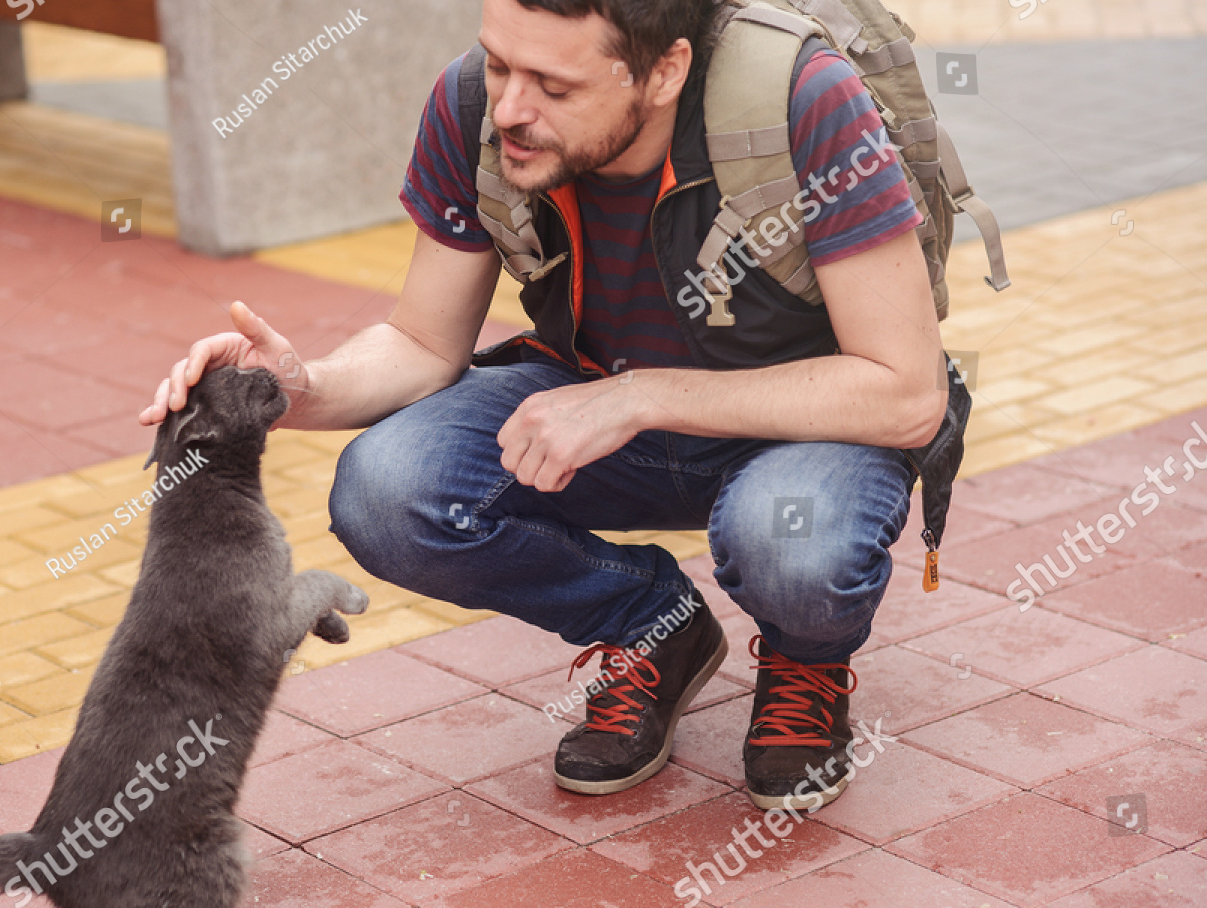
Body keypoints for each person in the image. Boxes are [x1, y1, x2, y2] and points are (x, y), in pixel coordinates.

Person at [141, 0, 952, 812]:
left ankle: (803, 655)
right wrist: (295, 385)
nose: (510, 110)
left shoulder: (801, 98)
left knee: (791, 546)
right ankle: (654, 626)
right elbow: (424, 342)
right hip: (598, 405)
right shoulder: (473, 106)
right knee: (386, 489)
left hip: (802, 427)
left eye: (555, 88)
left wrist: (638, 396)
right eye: (500, 65)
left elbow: (906, 390)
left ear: (664, 70)